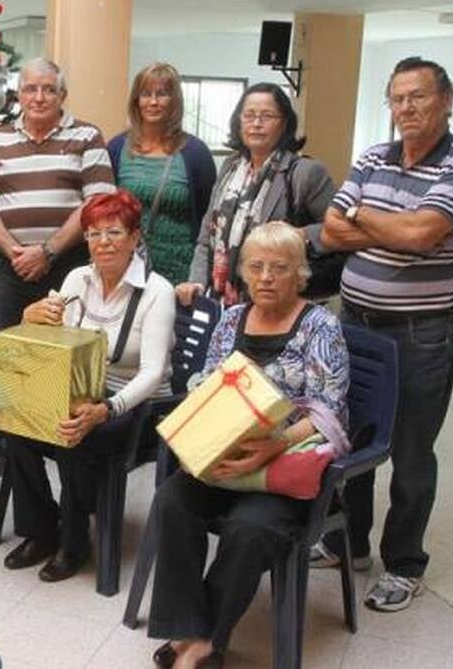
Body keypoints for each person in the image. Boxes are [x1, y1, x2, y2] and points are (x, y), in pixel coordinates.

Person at [318, 56, 453, 613]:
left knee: (412, 454)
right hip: (355, 324)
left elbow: (421, 235)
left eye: (418, 97)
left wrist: (368, 220)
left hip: (421, 335)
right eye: (397, 98)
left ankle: (404, 564)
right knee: (353, 437)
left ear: (446, 101)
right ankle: (351, 544)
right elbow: (330, 228)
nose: (406, 108)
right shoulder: (374, 155)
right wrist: (390, 225)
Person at [148, 221, 350, 668]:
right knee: (171, 502)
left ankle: (205, 642)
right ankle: (188, 627)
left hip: (280, 468)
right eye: (256, 266)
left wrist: (272, 446)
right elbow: (212, 387)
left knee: (249, 529)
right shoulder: (232, 318)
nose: (266, 277)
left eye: (280, 268)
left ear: (300, 274)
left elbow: (328, 411)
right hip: (226, 457)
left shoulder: (321, 326)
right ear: (242, 271)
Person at [4, 190, 175, 582]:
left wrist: (106, 408)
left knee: (74, 434)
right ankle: (43, 530)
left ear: (135, 238)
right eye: (94, 234)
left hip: (136, 405)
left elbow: (152, 374)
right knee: (15, 426)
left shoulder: (157, 291)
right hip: (81, 389)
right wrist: (30, 317)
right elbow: (49, 343)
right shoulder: (76, 278)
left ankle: (75, 541)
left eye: (114, 233)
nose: (103, 243)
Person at [0, 57, 116, 478]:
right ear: (18, 94)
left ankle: (64, 429)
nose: (38, 97)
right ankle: (6, 439)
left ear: (62, 95)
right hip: (9, 264)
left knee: (65, 352)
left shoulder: (86, 136)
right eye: (30, 89)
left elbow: (97, 202)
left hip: (67, 266)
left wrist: (48, 251)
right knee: (9, 351)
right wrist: (15, 250)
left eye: (48, 89)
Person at [176, 83, 335, 308]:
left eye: (267, 116)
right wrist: (196, 281)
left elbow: (339, 230)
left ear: (284, 124)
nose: (256, 123)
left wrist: (299, 234)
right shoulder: (230, 168)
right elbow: (206, 238)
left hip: (278, 305)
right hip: (221, 303)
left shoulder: (305, 173)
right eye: (249, 115)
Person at [107, 62, 216, 285]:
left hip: (179, 271)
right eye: (146, 94)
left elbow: (208, 219)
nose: (153, 102)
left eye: (162, 94)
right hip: (126, 267)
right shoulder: (117, 148)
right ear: (136, 100)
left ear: (174, 101)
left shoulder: (196, 153)